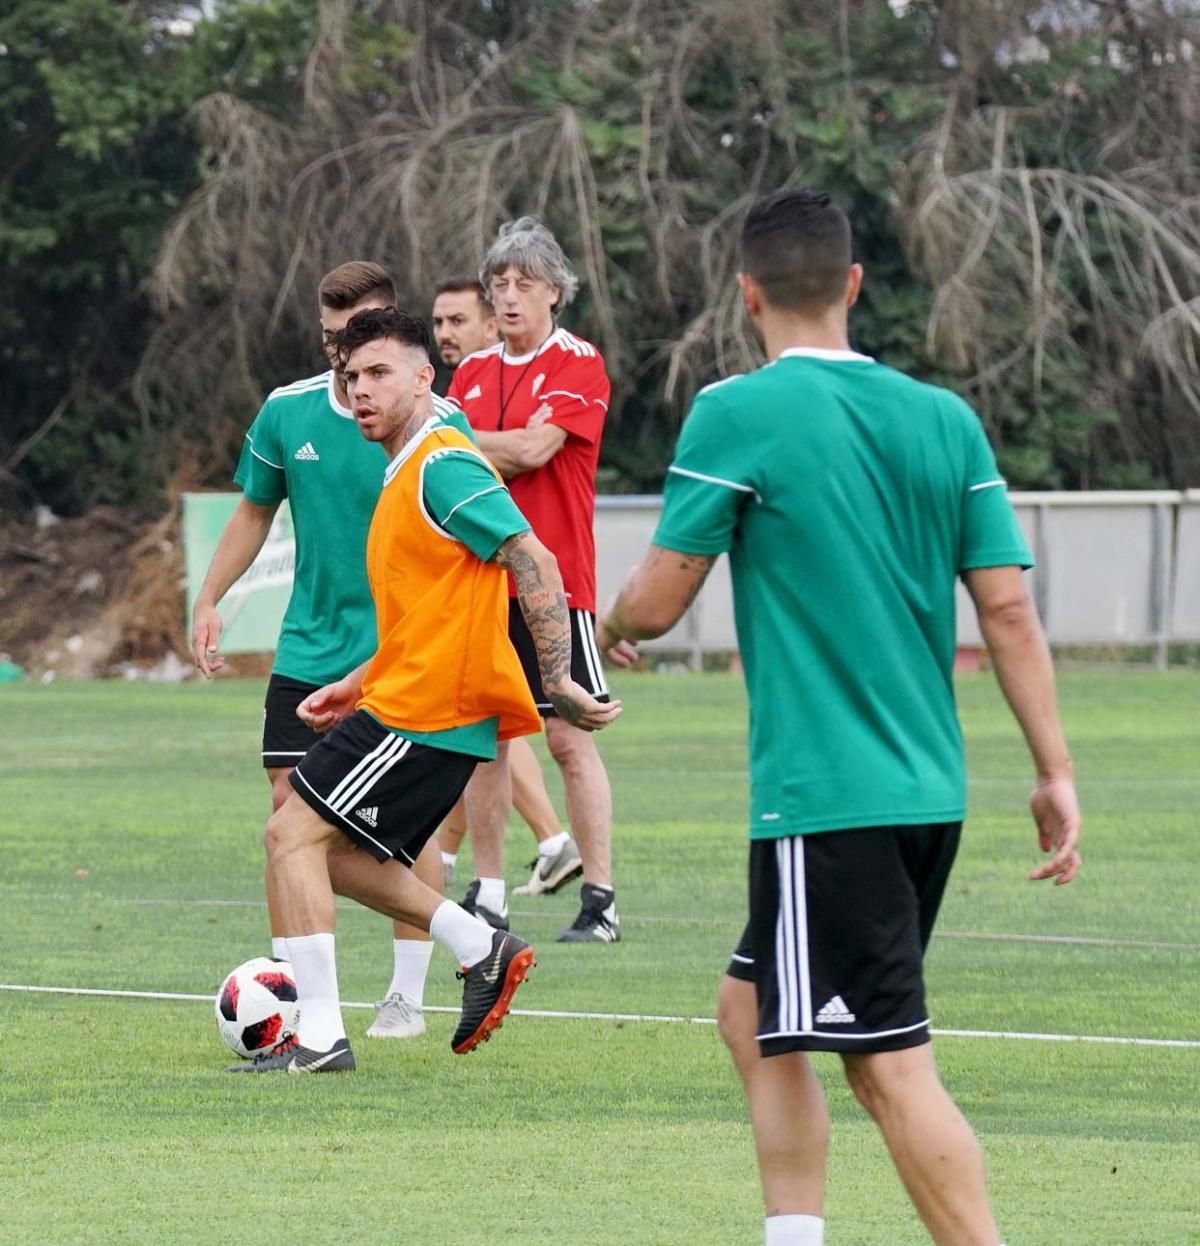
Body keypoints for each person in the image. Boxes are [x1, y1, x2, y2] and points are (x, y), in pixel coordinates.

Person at [596, 188, 1082, 1245]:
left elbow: (663, 594)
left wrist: (606, 625)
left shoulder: (738, 411)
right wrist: (1055, 770)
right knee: (751, 1014)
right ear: (854, 284)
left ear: (747, 293)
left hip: (829, 801)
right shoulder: (944, 420)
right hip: (924, 793)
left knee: (889, 1068)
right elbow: (1006, 607)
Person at [230, 306, 619, 1073]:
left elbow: (529, 557)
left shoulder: (444, 458)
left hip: (430, 710)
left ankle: (319, 1036)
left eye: (379, 373)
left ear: (423, 377)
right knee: (319, 852)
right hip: (399, 698)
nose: (362, 390)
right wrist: (354, 681)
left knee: (288, 834)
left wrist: (559, 680)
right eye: (351, 378)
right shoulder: (402, 469)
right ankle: (479, 944)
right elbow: (429, 611)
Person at [191, 262, 466, 1042]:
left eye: (363, 340)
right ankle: (299, 1005)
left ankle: (407, 996)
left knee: (404, 833)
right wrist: (209, 598)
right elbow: (253, 510)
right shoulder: (288, 412)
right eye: (332, 338)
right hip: (310, 651)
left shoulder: (439, 425)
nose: (345, 356)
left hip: (398, 657)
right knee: (290, 821)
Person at [448, 220, 629, 943]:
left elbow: (529, 450)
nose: (510, 296)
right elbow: (454, 454)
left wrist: (460, 436)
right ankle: (489, 892)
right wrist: (462, 438)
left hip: (556, 585)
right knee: (485, 738)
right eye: (500, 284)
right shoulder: (470, 373)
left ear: (556, 291)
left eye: (525, 283)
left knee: (568, 737)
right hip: (481, 582)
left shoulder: (579, 362)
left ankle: (601, 899)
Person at [431, 274, 583, 900]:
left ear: (492, 326)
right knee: (485, 724)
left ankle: (549, 841)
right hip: (468, 582)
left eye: (458, 322)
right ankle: (464, 855)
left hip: (522, 581)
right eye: (438, 324)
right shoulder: (452, 391)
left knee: (499, 723)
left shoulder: (560, 367)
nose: (445, 335)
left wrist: (464, 436)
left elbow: (529, 450)